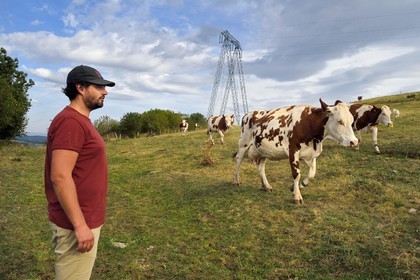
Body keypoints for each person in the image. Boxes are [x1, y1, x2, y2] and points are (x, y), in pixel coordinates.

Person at [44, 65, 115, 279]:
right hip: (76, 223)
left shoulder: (79, 120)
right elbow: (60, 176)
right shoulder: (71, 122)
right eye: (99, 87)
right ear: (80, 88)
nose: (105, 92)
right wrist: (80, 225)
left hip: (83, 218)